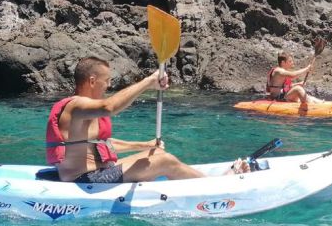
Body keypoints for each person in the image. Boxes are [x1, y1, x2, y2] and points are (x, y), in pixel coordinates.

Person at [47, 57, 248, 183]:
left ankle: (199, 180)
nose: (108, 86)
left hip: (100, 171)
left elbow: (103, 144)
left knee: (157, 152)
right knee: (165, 161)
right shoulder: (76, 105)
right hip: (84, 179)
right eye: (106, 81)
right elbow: (110, 107)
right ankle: (216, 186)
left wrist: (145, 145)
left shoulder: (86, 110)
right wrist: (148, 82)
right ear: (92, 81)